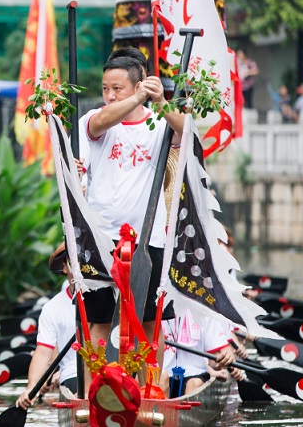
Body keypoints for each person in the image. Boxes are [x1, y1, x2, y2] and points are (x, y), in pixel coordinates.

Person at [79, 51, 185, 382]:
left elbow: (190, 134)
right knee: (99, 321)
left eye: (117, 89)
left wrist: (162, 102)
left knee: (149, 321)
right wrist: (138, 96)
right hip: (99, 238)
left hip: (147, 238)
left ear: (138, 85)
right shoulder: (94, 119)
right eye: (105, 88)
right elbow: (102, 121)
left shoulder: (159, 125)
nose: (108, 95)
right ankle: (96, 390)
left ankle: (151, 391)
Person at [16, 243, 77, 410]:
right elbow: (43, 353)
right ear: (65, 267)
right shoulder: (52, 308)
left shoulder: (113, 297)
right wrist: (32, 388)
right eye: (75, 259)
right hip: (74, 373)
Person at [159, 309, 235, 397]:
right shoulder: (155, 305)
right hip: (162, 372)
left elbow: (214, 362)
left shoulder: (205, 309)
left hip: (195, 374)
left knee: (193, 384)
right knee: (162, 379)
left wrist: (223, 361)